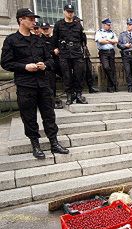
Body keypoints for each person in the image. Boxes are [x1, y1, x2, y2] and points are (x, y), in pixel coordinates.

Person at [1, 8, 69, 159]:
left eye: (34, 19)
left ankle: (54, 143)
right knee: (29, 117)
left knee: (49, 115)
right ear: (21, 20)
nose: (33, 22)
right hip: (26, 85)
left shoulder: (39, 40)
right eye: (30, 19)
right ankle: (35, 145)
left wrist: (45, 65)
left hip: (43, 84)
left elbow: (51, 60)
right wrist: (24, 67)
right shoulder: (11, 40)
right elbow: (5, 63)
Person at [52, 4, 87, 105]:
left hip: (76, 52)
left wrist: (83, 48)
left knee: (79, 74)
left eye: (71, 12)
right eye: (68, 11)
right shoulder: (59, 24)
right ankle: (69, 96)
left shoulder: (78, 25)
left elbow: (83, 39)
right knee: (67, 75)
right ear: (64, 12)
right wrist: (55, 48)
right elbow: (55, 38)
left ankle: (79, 95)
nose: (70, 13)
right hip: (64, 52)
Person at [40, 21, 63, 109]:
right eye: (44, 29)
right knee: (51, 82)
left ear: (50, 29)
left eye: (47, 28)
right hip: (48, 64)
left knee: (68, 75)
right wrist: (53, 51)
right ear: (41, 30)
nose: (46, 30)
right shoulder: (39, 40)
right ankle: (52, 100)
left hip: (57, 61)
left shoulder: (55, 38)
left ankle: (71, 93)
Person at [73, 16, 98, 94]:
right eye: (77, 22)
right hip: (77, 55)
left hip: (84, 53)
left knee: (89, 71)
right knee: (79, 73)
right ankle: (77, 90)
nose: (79, 23)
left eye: (79, 22)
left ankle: (91, 87)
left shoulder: (81, 32)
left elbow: (84, 42)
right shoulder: (72, 32)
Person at [95, 18, 118, 93]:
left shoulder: (112, 32)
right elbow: (100, 41)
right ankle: (114, 82)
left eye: (110, 25)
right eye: (108, 25)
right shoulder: (99, 32)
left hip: (111, 52)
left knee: (112, 69)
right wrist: (111, 41)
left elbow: (116, 41)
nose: (109, 26)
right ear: (104, 25)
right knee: (106, 67)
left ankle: (110, 87)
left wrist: (107, 40)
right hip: (103, 52)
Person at [117, 18, 132, 93]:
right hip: (125, 55)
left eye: (130, 25)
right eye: (128, 24)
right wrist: (125, 46)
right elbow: (119, 45)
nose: (129, 26)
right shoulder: (122, 34)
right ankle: (129, 86)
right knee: (127, 71)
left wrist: (131, 47)